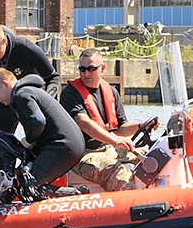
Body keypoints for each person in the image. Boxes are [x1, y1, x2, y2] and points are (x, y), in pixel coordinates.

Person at [59, 48, 158, 192]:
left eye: (91, 69)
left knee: (150, 156)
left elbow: (120, 127)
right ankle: (130, 207)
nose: (86, 74)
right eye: (82, 69)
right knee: (116, 171)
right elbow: (83, 123)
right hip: (83, 155)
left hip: (109, 148)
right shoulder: (70, 94)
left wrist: (141, 126)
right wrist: (115, 141)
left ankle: (159, 195)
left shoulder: (111, 92)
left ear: (103, 68)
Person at [0, 67, 84, 195]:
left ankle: (76, 194)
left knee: (29, 187)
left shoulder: (20, 95)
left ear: (5, 84)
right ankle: (77, 192)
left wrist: (28, 140)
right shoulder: (30, 91)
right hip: (71, 144)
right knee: (28, 182)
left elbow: (37, 121)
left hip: (62, 146)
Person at [0, 22, 60, 133]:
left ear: (4, 41)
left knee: (40, 134)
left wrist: (45, 101)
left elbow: (53, 78)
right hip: (4, 101)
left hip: (32, 100)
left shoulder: (25, 48)